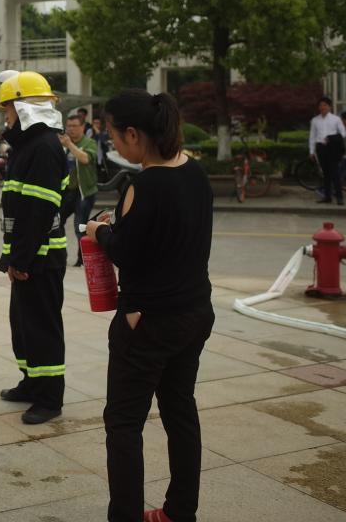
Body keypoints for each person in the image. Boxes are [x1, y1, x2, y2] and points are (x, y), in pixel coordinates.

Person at [84, 89, 214, 522]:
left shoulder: (143, 185)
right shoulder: (195, 173)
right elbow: (170, 238)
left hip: (148, 321)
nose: (113, 143)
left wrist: (99, 231)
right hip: (195, 312)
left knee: (124, 423)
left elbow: (127, 253)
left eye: (113, 135)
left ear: (134, 134)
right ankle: (180, 512)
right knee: (180, 411)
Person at [0, 70, 69, 425]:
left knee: (41, 328)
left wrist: (21, 259)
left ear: (23, 108)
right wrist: (13, 256)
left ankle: (49, 398)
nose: (6, 116)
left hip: (41, 258)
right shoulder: (30, 146)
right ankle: (31, 382)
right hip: (29, 256)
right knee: (23, 326)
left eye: (8, 109)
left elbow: (37, 211)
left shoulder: (42, 148)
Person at [59, 113, 98, 267]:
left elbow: (85, 159)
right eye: (68, 126)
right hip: (67, 192)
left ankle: (82, 260)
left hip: (84, 192)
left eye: (75, 126)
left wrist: (69, 145)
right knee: (57, 222)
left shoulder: (89, 143)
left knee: (79, 226)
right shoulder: (62, 144)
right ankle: (61, 256)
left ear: (82, 127)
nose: (71, 129)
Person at [309, 96, 346, 205]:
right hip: (321, 148)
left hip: (333, 148)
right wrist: (311, 151)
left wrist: (331, 138)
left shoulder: (336, 119)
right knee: (325, 174)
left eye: (325, 105)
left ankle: (339, 197)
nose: (322, 107)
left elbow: (343, 133)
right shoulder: (315, 120)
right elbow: (312, 136)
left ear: (330, 107)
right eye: (320, 105)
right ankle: (327, 197)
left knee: (335, 173)